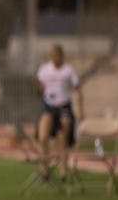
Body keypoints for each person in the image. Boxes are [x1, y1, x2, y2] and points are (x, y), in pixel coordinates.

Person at [36, 44, 83, 179]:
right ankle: (44, 168)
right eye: (52, 54)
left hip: (64, 106)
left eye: (57, 54)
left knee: (62, 139)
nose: (55, 57)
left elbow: (78, 89)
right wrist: (40, 89)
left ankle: (63, 171)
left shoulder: (68, 70)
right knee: (43, 136)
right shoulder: (44, 69)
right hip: (49, 106)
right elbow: (39, 85)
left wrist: (80, 110)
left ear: (62, 55)